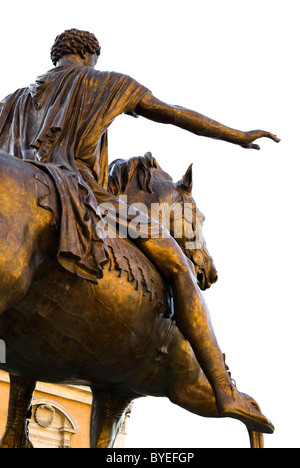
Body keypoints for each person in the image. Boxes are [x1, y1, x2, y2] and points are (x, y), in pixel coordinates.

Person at [0, 29, 279, 433]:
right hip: (84, 192)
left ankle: (14, 429)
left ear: (57, 54)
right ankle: (224, 387)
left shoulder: (13, 101)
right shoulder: (104, 82)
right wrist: (236, 136)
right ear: (90, 54)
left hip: (30, 187)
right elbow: (174, 112)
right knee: (181, 266)